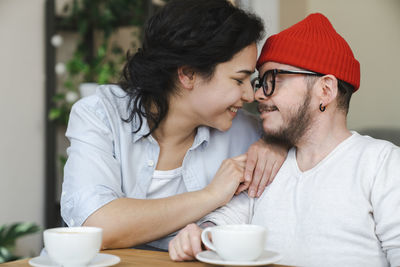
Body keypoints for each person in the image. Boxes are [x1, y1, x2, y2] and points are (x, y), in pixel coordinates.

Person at [169, 13, 400, 267]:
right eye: (260, 82)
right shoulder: (268, 162)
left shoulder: (382, 163)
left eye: (272, 80)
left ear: (325, 90)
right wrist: (199, 234)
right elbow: (225, 221)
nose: (257, 94)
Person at [61, 0, 288, 251]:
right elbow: (96, 226)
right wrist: (210, 196)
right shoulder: (100, 115)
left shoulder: (250, 134)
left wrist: (279, 145)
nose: (250, 94)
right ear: (188, 74)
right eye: (239, 80)